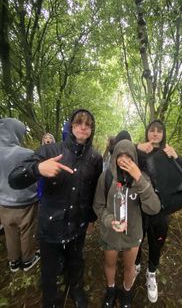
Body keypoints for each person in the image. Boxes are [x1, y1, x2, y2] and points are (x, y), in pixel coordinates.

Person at [9, 109, 103, 308]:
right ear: (71, 125)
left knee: (76, 261)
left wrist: (92, 219)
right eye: (79, 123)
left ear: (92, 129)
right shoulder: (50, 151)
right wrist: (37, 169)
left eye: (88, 124)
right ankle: (50, 300)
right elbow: (14, 179)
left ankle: (75, 288)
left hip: (78, 224)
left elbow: (94, 190)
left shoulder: (95, 158)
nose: (83, 127)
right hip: (50, 226)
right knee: (49, 271)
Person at [135, 120, 182, 303]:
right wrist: (136, 147)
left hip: (161, 211)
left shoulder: (168, 154)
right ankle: (136, 265)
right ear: (147, 133)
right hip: (140, 209)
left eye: (159, 131)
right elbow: (115, 151)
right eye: (152, 130)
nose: (155, 134)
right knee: (137, 240)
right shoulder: (138, 153)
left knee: (157, 243)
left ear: (163, 134)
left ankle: (151, 273)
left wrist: (177, 157)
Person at [93, 139, 161, 308]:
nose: (123, 159)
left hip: (133, 233)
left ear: (135, 159)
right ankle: (110, 290)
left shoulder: (142, 178)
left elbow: (154, 208)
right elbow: (98, 205)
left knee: (130, 266)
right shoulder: (106, 176)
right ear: (114, 156)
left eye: (128, 156)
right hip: (111, 233)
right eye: (120, 155)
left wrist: (139, 179)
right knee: (110, 263)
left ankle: (127, 292)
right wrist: (109, 221)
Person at [0, 118, 40, 273]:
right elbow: (35, 178)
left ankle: (14, 262)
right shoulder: (27, 154)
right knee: (27, 231)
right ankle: (28, 259)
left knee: (10, 232)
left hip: (3, 203)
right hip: (25, 202)